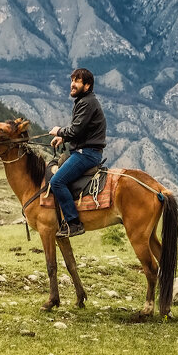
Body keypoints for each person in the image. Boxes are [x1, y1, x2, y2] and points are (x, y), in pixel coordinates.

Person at [49, 68, 106, 237]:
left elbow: (75, 129)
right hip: (85, 150)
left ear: (87, 86)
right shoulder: (84, 101)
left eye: (77, 81)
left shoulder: (87, 103)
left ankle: (74, 223)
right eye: (72, 80)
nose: (72, 84)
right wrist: (63, 139)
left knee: (57, 182)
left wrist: (59, 131)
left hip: (86, 154)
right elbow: (81, 131)